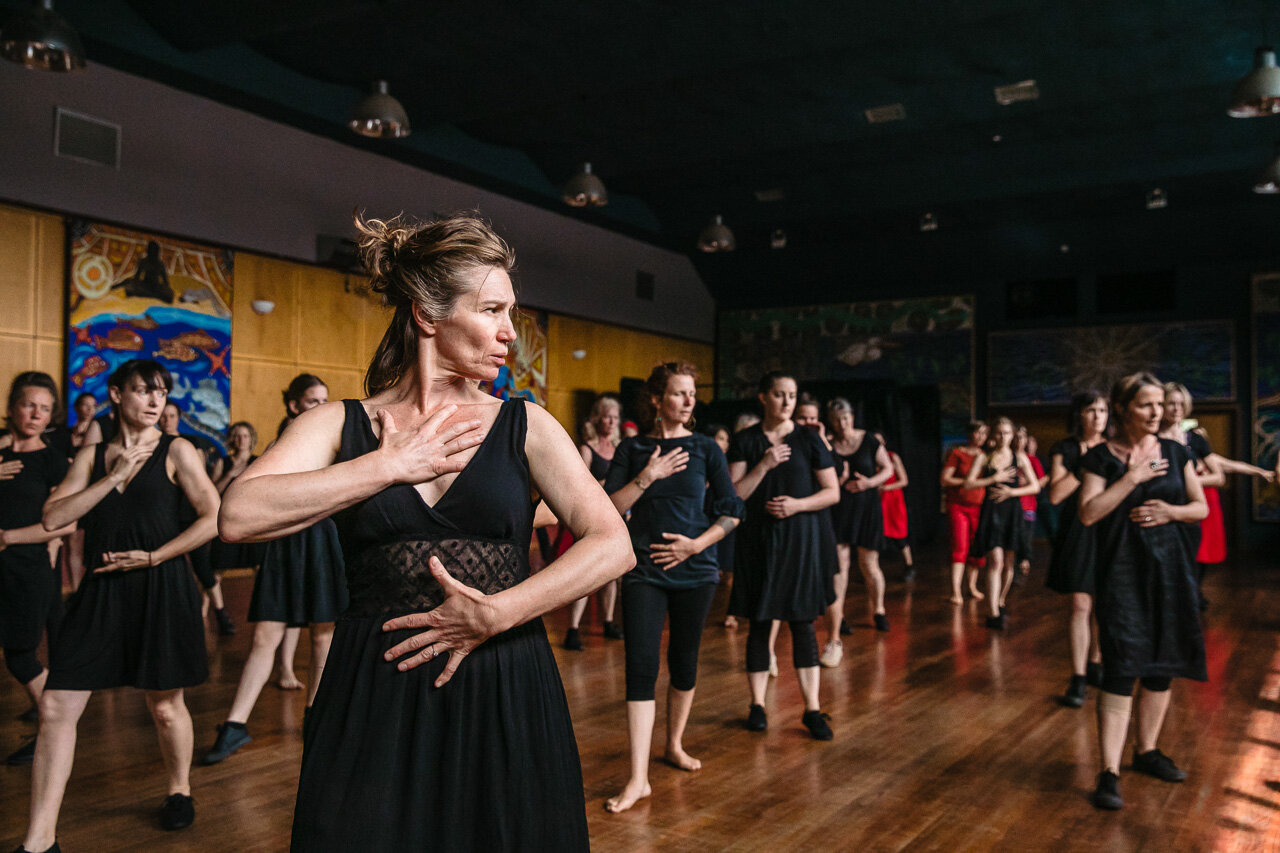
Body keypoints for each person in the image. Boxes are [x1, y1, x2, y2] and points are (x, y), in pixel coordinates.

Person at [218, 212, 633, 850]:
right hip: (376, 690)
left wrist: (497, 613)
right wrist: (385, 466)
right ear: (427, 314)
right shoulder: (341, 424)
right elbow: (239, 515)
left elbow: (613, 544)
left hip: (503, 678)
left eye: (511, 313)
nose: (508, 333)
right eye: (492, 310)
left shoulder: (528, 426)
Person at [20, 359, 219, 851]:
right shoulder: (93, 454)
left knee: (166, 707)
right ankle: (40, 841)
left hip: (163, 587)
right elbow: (52, 517)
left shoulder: (178, 450)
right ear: (115, 395)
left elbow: (215, 517)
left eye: (161, 392)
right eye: (143, 391)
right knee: (56, 707)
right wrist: (112, 477)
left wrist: (155, 556)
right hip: (101, 591)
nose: (155, 401)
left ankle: (179, 789)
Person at [603, 362, 743, 813]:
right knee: (641, 667)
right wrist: (650, 475)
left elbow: (731, 509)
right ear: (657, 400)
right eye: (680, 393)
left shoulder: (706, 447)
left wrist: (696, 544)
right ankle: (638, 778)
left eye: (692, 393)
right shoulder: (633, 448)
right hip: (643, 569)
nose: (689, 400)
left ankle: (674, 745)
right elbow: (607, 509)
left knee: (684, 662)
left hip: (696, 570)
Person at [202, 375, 348, 765]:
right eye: (313, 401)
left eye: (324, 400)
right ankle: (235, 723)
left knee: (323, 636)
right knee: (266, 635)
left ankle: (315, 717)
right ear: (294, 406)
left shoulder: (330, 441)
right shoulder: (284, 443)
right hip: (287, 546)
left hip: (322, 544)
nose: (321, 407)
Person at [1078, 373, 1207, 810]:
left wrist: (1172, 511)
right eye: (1146, 405)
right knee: (1120, 665)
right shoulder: (1100, 458)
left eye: (1159, 405)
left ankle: (1147, 750)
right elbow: (1089, 514)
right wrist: (1131, 478)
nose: (1156, 413)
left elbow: (1200, 506)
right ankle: (1108, 771)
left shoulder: (1175, 451)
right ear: (1121, 408)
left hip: (1171, 571)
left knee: (1161, 666)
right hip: (1121, 572)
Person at [727, 372, 839, 740]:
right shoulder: (746, 440)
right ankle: (757, 705)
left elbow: (832, 492)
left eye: (791, 395)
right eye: (779, 394)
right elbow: (734, 495)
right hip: (758, 540)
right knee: (760, 623)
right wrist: (765, 464)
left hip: (800, 541)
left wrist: (797, 505)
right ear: (764, 397)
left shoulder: (809, 439)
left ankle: (812, 709)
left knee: (803, 623)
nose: (787, 401)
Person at [1, 373, 76, 766]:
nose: (35, 414)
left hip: (27, 570)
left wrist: (8, 537)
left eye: (45, 408)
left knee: (20, 655)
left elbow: (66, 523)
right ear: (11, 406)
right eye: (29, 404)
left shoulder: (52, 462)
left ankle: (53, 727)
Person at [1159, 382, 1275, 611]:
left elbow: (1219, 473)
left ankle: (1191, 597)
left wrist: (1259, 471)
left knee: (1196, 555)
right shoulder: (1152, 440)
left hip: (1190, 505)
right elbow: (1150, 465)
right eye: (1171, 403)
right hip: (1164, 503)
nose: (1176, 409)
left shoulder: (1195, 440)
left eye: (1181, 404)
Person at [1046, 391, 1109, 707]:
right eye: (1091, 410)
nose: (1098, 416)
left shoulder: (1119, 445)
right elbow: (1056, 495)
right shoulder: (1065, 449)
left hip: (1112, 529)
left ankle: (1097, 662)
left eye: (1103, 410)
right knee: (1080, 604)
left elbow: (1154, 463)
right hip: (1079, 530)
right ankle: (1078, 676)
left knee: (1105, 603)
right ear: (1079, 415)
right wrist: (1087, 465)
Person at [823, 398, 894, 666]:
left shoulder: (869, 440)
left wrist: (869, 483)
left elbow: (887, 469)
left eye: (847, 418)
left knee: (869, 562)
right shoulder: (830, 443)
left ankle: (878, 609)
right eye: (838, 419)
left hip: (867, 507)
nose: (843, 424)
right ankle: (838, 615)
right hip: (841, 509)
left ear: (853, 417)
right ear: (832, 421)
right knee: (840, 564)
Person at [159, 401, 233, 635]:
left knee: (201, 565)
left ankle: (220, 612)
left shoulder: (192, 444)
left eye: (171, 415)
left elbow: (199, 480)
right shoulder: (153, 445)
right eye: (163, 416)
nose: (166, 420)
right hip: (165, 515)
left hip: (191, 512)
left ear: (178, 417)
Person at [963, 417, 1040, 630]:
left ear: (1012, 435)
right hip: (992, 512)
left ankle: (1000, 599)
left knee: (1009, 562)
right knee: (995, 560)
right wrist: (993, 479)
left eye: (1006, 433)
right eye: (998, 432)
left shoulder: (1020, 458)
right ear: (992, 435)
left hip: (1012, 512)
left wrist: (1012, 491)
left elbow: (1035, 487)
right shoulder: (984, 457)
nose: (1002, 437)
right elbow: (969, 483)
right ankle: (993, 612)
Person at [564, 394, 624, 649]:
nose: (611, 422)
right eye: (607, 416)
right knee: (587, 571)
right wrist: (603, 486)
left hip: (617, 515)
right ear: (598, 418)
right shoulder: (587, 449)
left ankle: (608, 621)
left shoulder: (622, 449)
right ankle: (573, 628)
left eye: (615, 417)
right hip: (592, 517)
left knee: (612, 574)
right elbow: (578, 485)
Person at [208, 421, 268, 575]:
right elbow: (212, 493)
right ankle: (206, 600)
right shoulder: (223, 462)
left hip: (253, 521)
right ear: (232, 439)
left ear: (251, 439)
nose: (242, 440)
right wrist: (230, 474)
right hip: (228, 519)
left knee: (259, 566)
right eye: (238, 436)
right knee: (218, 567)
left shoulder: (259, 462)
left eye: (245, 436)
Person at [941, 421, 989, 604]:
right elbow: (945, 479)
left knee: (976, 548)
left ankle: (972, 586)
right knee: (960, 546)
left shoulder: (986, 456)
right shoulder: (957, 453)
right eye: (978, 433)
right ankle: (956, 590)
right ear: (970, 434)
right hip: (958, 505)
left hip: (979, 507)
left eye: (984, 434)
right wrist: (967, 482)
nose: (981, 437)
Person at [874, 431, 913, 581]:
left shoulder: (892, 456)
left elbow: (904, 480)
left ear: (884, 441)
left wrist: (886, 488)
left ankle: (909, 565)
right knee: (875, 536)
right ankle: (873, 570)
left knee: (899, 535)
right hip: (877, 501)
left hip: (893, 501)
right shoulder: (869, 458)